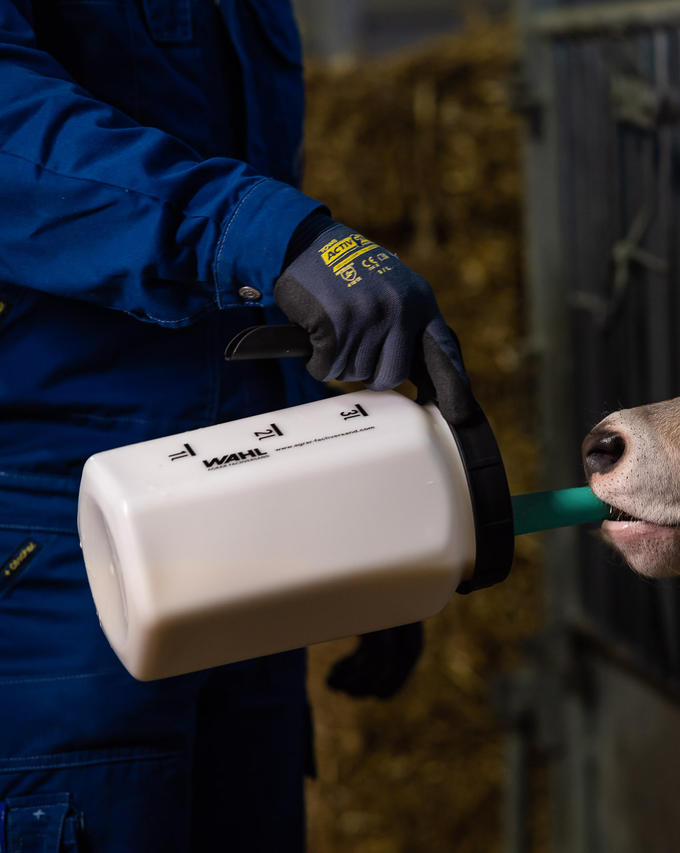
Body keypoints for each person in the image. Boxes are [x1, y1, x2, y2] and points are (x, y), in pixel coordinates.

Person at [0, 2, 492, 850]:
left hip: (233, 500)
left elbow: (247, 297)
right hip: (53, 530)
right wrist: (261, 232)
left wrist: (353, 498)